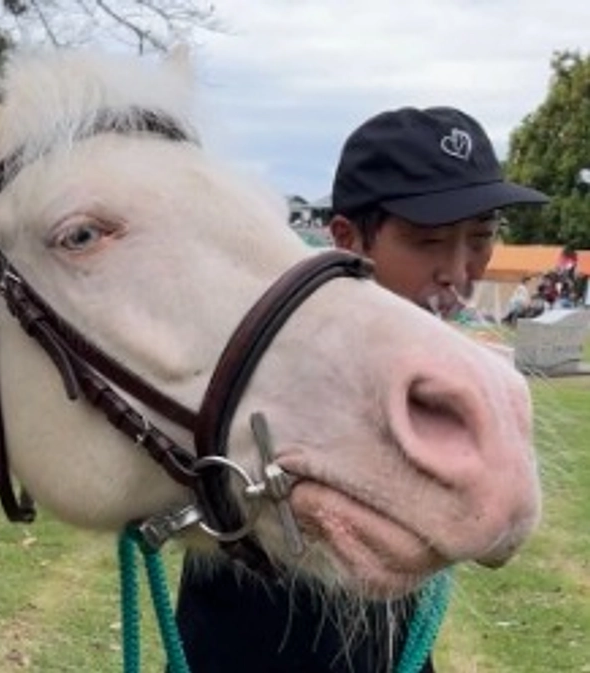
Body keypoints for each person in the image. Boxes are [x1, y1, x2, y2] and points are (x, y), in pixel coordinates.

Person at [172, 106, 549, 673]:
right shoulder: (268, 369)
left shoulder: (449, 374)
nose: (459, 270)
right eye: (428, 241)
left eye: (481, 237)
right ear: (348, 239)